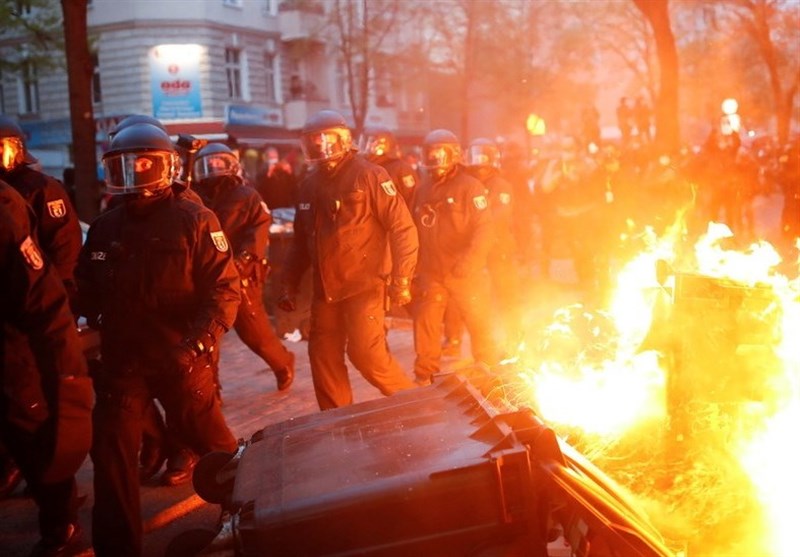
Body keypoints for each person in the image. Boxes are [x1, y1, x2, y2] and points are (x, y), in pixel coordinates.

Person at [76, 122, 241, 557]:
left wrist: (196, 346)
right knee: (110, 457)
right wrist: (87, 322)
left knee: (219, 452)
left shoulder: (195, 219)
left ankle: (253, 520)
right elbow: (85, 286)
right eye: (125, 168)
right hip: (125, 364)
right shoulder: (106, 227)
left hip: (181, 361)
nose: (136, 178)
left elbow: (225, 291)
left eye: (144, 166)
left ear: (166, 167)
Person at [278, 109, 418, 410]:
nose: (321, 146)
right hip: (326, 290)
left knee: (367, 356)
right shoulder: (308, 185)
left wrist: (402, 278)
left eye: (327, 139)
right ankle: (335, 420)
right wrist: (288, 284)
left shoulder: (369, 175)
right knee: (322, 357)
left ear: (343, 140)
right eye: (314, 141)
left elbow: (402, 228)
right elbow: (300, 243)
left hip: (364, 284)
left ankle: (415, 402)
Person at [0, 180, 93, 557]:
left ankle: (61, 523)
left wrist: (68, 370)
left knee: (31, 437)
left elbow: (43, 296)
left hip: (11, 350)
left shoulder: (5, 204)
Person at [0, 114, 84, 506]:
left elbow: (61, 252)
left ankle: (59, 510)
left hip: (35, 306)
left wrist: (61, 302)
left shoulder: (39, 190)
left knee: (32, 409)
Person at [193, 142, 295, 391]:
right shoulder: (195, 197)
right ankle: (211, 388)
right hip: (207, 273)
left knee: (254, 332)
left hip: (241, 273)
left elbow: (260, 227)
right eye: (208, 163)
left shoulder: (246, 195)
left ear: (231, 164)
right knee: (205, 335)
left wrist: (246, 258)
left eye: (219, 161)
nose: (214, 166)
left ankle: (283, 362)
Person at [411, 129, 500, 386]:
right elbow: (414, 229)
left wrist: (470, 262)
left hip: (465, 272)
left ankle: (488, 370)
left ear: (454, 155)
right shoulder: (423, 188)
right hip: (432, 272)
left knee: (477, 321)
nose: (436, 159)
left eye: (441, 153)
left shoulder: (470, 187)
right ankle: (424, 375)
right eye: (431, 154)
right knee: (426, 324)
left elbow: (485, 229)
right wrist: (415, 268)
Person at [359, 126, 420, 210]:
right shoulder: (363, 168)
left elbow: (412, 200)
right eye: (366, 141)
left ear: (383, 145)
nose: (368, 145)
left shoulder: (401, 169)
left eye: (372, 141)